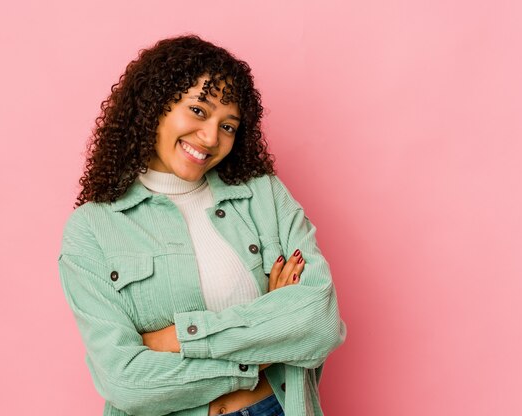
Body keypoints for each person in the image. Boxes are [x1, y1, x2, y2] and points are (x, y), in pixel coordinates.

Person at [58, 34, 346, 416]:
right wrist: (260, 353)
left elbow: (320, 324)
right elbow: (126, 382)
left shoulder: (262, 195)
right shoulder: (92, 229)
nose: (211, 137)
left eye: (228, 126)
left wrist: (179, 337)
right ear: (154, 107)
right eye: (198, 111)